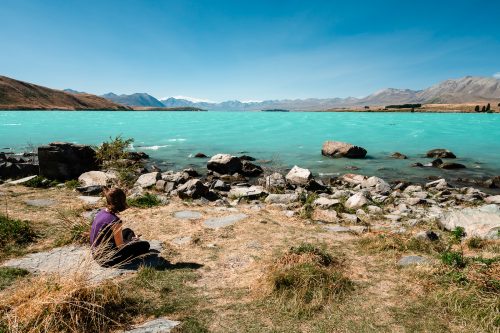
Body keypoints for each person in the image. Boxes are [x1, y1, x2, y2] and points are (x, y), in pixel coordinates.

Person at [90, 187, 150, 267]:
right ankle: (133, 240)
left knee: (128, 231)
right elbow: (120, 246)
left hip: (96, 254)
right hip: (107, 259)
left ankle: (131, 239)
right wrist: (132, 242)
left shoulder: (102, 212)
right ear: (121, 202)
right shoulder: (115, 221)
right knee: (145, 245)